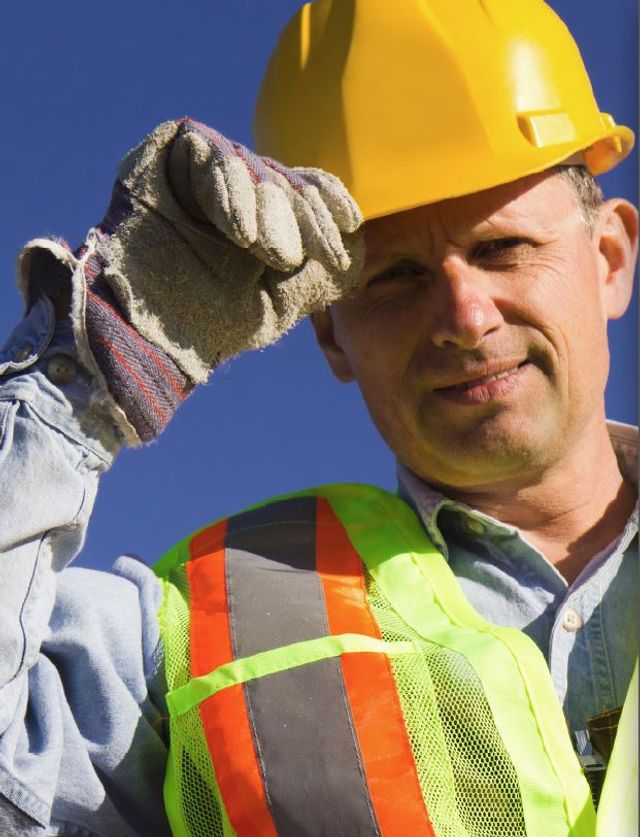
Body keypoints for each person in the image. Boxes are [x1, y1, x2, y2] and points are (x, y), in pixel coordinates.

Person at [0, 1, 637, 835]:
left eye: (502, 248)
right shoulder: (200, 625)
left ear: (611, 261)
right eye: (398, 276)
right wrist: (76, 382)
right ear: (331, 331)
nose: (464, 314)